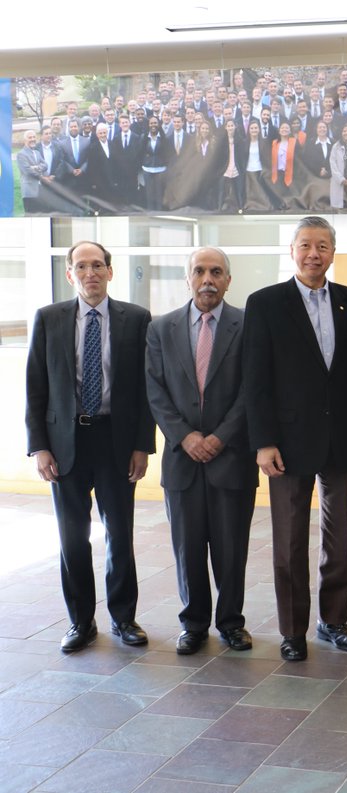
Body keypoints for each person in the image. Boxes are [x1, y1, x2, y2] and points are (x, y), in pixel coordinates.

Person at [243, 217, 347, 662]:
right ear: (292, 251)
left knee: (338, 537)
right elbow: (254, 379)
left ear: (334, 252)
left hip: (340, 441)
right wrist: (263, 441)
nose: (314, 254)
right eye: (306, 245)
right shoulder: (266, 303)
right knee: (289, 540)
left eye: (323, 246)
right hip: (286, 445)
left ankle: (333, 621)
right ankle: (293, 629)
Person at [26, 241, 155, 653]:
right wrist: (39, 447)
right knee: (72, 537)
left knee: (119, 534)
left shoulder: (136, 319)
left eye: (97, 265)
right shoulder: (49, 319)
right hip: (66, 443)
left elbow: (145, 390)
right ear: (70, 275)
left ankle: (124, 618)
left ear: (110, 272)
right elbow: (35, 388)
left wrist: (142, 445)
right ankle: (81, 622)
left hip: (115, 439)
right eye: (81, 266)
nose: (90, 273)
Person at [145, 247, 258, 655]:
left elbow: (252, 390)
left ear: (228, 279)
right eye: (199, 271)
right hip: (182, 460)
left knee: (231, 548)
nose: (207, 279)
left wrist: (220, 436)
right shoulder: (161, 329)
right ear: (187, 278)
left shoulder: (248, 325)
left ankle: (231, 622)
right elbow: (155, 391)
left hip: (231, 457)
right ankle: (193, 624)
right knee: (187, 546)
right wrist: (186, 436)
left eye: (216, 272)